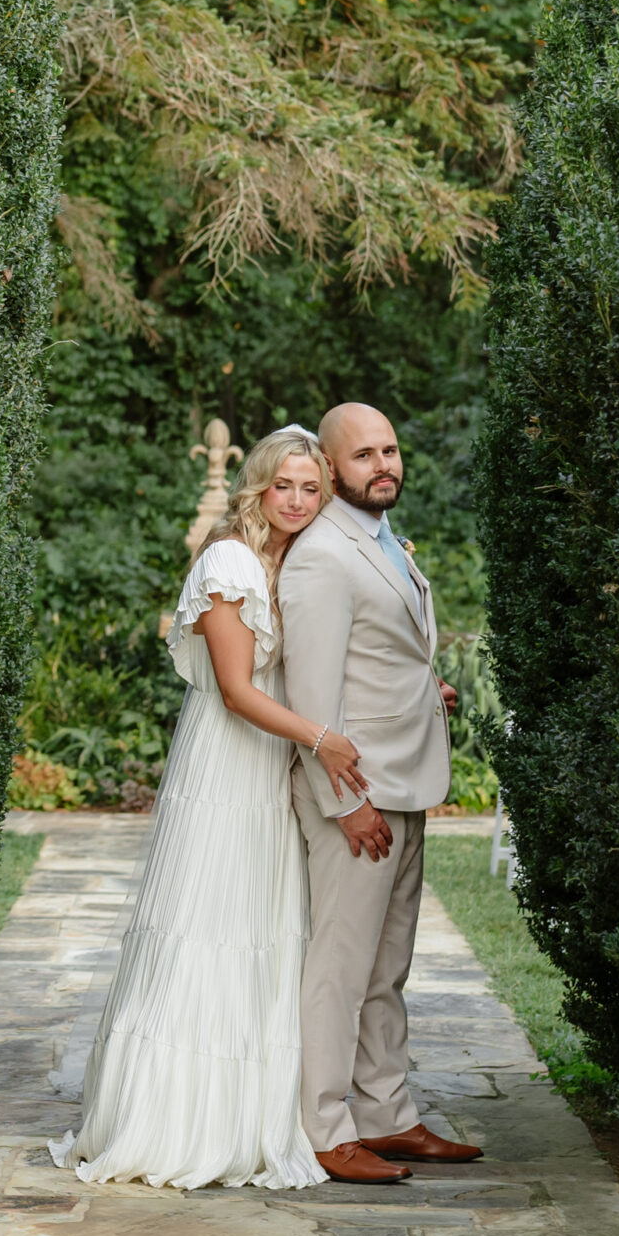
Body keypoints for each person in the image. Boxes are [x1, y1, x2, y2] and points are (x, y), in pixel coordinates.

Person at [50, 428, 361, 1189]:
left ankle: (254, 1113)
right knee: (208, 927)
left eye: (310, 488)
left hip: (272, 772)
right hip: (228, 768)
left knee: (263, 932)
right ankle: (173, 1122)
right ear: (257, 487)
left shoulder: (298, 562)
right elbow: (237, 690)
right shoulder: (228, 561)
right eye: (283, 486)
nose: (295, 500)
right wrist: (322, 740)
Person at [277, 402, 484, 1184]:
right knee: (340, 966)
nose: (383, 465)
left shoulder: (381, 539)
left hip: (403, 780)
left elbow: (377, 652)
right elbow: (313, 697)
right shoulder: (324, 555)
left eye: (391, 449)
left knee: (386, 966)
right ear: (331, 469)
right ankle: (326, 1129)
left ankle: (387, 1115)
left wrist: (427, 690)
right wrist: (344, 803)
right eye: (364, 454)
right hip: (356, 797)